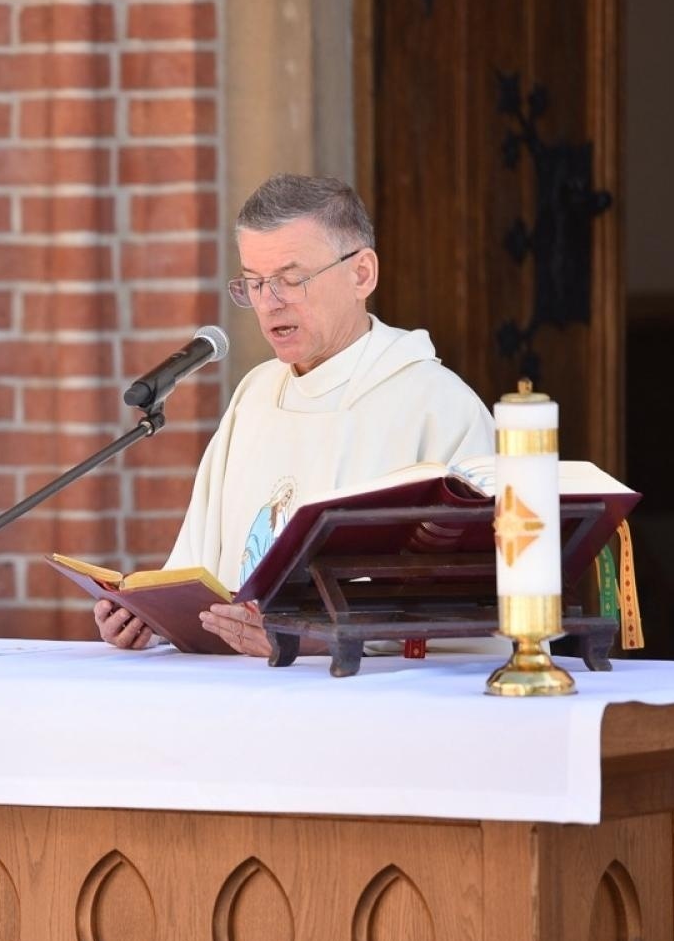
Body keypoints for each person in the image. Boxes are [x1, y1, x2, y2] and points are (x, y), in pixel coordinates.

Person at [96, 174, 494, 656]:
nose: (269, 302)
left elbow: (471, 606)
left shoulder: (437, 406)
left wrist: (313, 639)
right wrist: (151, 615)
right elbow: (199, 571)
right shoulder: (256, 394)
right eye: (254, 283)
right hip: (234, 698)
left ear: (361, 274)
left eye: (290, 279)